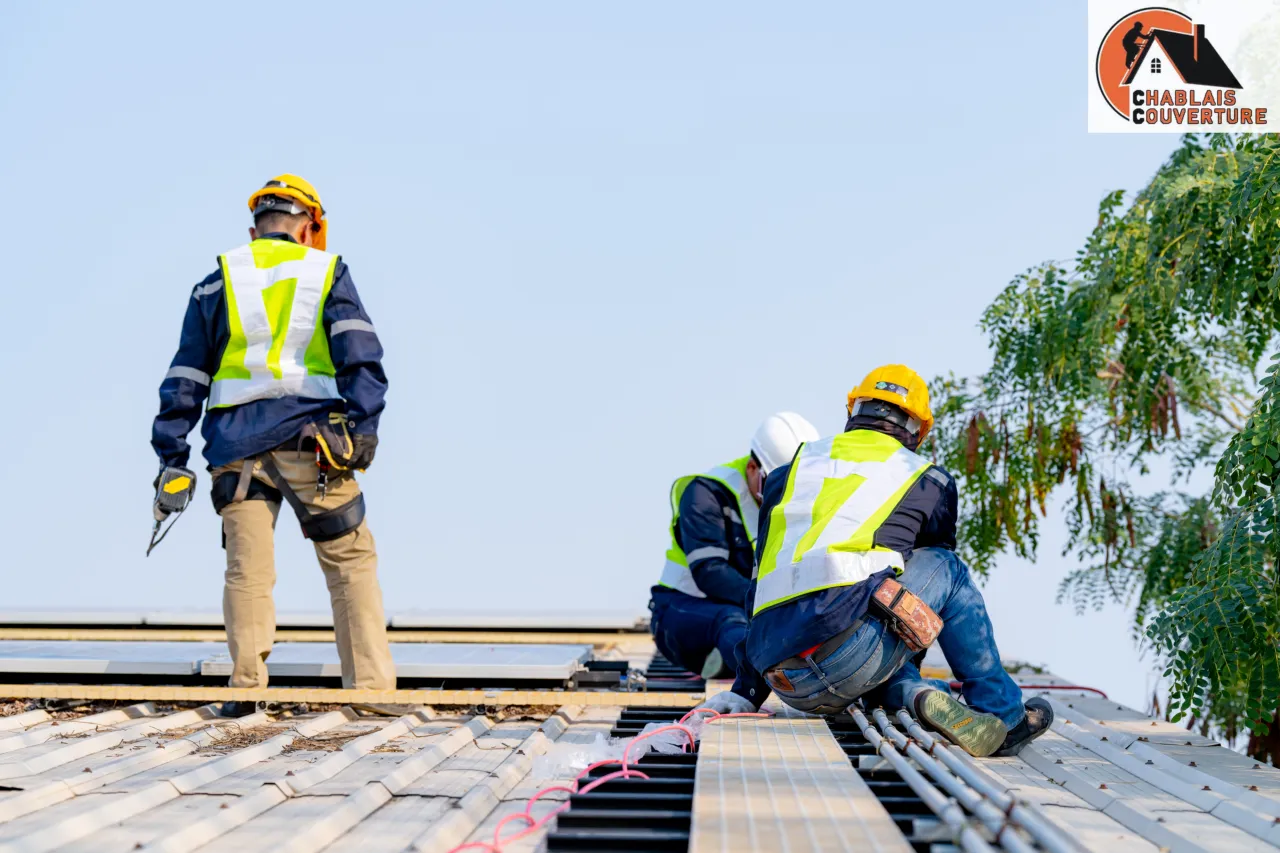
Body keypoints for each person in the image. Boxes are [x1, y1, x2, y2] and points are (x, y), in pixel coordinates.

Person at [700, 366, 1052, 757]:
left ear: (853, 412)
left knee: (855, 599)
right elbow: (923, 602)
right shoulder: (927, 478)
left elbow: (761, 583)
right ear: (918, 430)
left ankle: (914, 693)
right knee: (944, 568)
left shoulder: (789, 472)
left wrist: (747, 692)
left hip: (782, 677)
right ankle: (1004, 715)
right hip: (850, 660)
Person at [151, 174, 396, 707]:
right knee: (350, 561)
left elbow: (186, 375)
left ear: (254, 231)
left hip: (235, 449)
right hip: (314, 445)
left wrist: (173, 453)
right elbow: (360, 355)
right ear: (308, 228)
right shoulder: (325, 271)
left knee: (247, 571)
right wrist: (364, 427)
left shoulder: (217, 282)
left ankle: (246, 690)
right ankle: (370, 691)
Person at [648, 413, 819, 679]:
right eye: (776, 484)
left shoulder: (793, 508)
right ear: (752, 468)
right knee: (731, 620)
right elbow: (710, 572)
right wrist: (772, 605)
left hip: (746, 610)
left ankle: (728, 660)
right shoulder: (704, 494)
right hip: (680, 613)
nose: (785, 495)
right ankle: (753, 674)